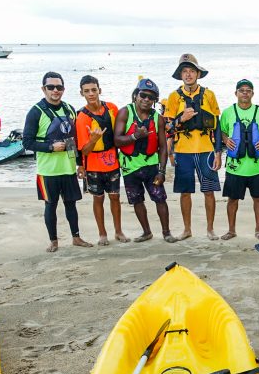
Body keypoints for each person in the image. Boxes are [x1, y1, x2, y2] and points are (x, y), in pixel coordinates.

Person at [22, 71, 93, 252]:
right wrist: (51, 147)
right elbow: (27, 142)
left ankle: (76, 237)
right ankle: (53, 241)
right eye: (51, 87)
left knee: (71, 204)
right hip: (48, 171)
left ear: (63, 89)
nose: (55, 90)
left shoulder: (69, 109)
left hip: (68, 168)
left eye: (59, 87)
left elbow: (73, 140)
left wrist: (80, 164)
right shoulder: (36, 112)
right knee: (50, 205)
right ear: (43, 89)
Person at [164, 54, 222, 240]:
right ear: (180, 75)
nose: (188, 75)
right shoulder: (174, 97)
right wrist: (182, 119)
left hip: (206, 149)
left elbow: (217, 125)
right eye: (185, 71)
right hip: (183, 151)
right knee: (185, 192)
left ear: (198, 73)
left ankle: (210, 229)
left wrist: (218, 152)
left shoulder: (209, 95)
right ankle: (187, 229)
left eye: (192, 71)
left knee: (209, 190)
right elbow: (168, 128)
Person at [113, 78, 177, 243]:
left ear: (154, 101)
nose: (146, 99)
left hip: (151, 165)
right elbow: (117, 140)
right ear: (136, 95)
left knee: (160, 198)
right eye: (143, 95)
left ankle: (166, 232)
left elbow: (163, 147)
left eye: (151, 97)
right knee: (137, 200)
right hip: (130, 166)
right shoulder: (125, 112)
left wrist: (162, 171)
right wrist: (135, 136)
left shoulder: (158, 118)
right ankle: (147, 232)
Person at [76, 75, 126, 246]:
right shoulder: (82, 117)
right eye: (87, 91)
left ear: (99, 90)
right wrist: (94, 139)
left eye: (94, 90)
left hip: (112, 162)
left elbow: (120, 135)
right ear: (82, 93)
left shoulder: (111, 108)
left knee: (115, 197)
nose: (91, 94)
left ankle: (118, 232)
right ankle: (102, 234)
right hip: (94, 166)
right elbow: (84, 149)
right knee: (98, 199)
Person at [220, 79, 259, 240]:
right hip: (235, 167)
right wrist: (226, 140)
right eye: (241, 90)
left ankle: (258, 229)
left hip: (257, 167)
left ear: (252, 94)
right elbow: (221, 132)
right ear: (236, 93)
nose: (245, 93)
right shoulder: (228, 112)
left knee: (258, 199)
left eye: (248, 90)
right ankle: (231, 230)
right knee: (232, 199)